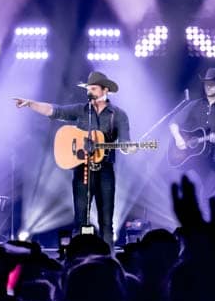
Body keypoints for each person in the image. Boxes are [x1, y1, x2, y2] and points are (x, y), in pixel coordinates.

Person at [13, 71, 130, 245]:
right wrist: (31, 104)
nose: (89, 92)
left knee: (106, 222)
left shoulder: (118, 115)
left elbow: (126, 144)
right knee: (81, 219)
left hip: (105, 170)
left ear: (105, 90)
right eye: (88, 88)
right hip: (82, 169)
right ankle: (80, 256)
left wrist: (129, 148)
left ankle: (108, 258)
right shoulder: (82, 110)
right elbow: (54, 111)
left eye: (94, 88)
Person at [169, 68, 215, 199]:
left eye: (213, 84)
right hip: (191, 158)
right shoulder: (194, 105)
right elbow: (173, 122)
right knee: (190, 193)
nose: (209, 87)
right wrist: (178, 138)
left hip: (213, 161)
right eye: (206, 84)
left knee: (209, 197)